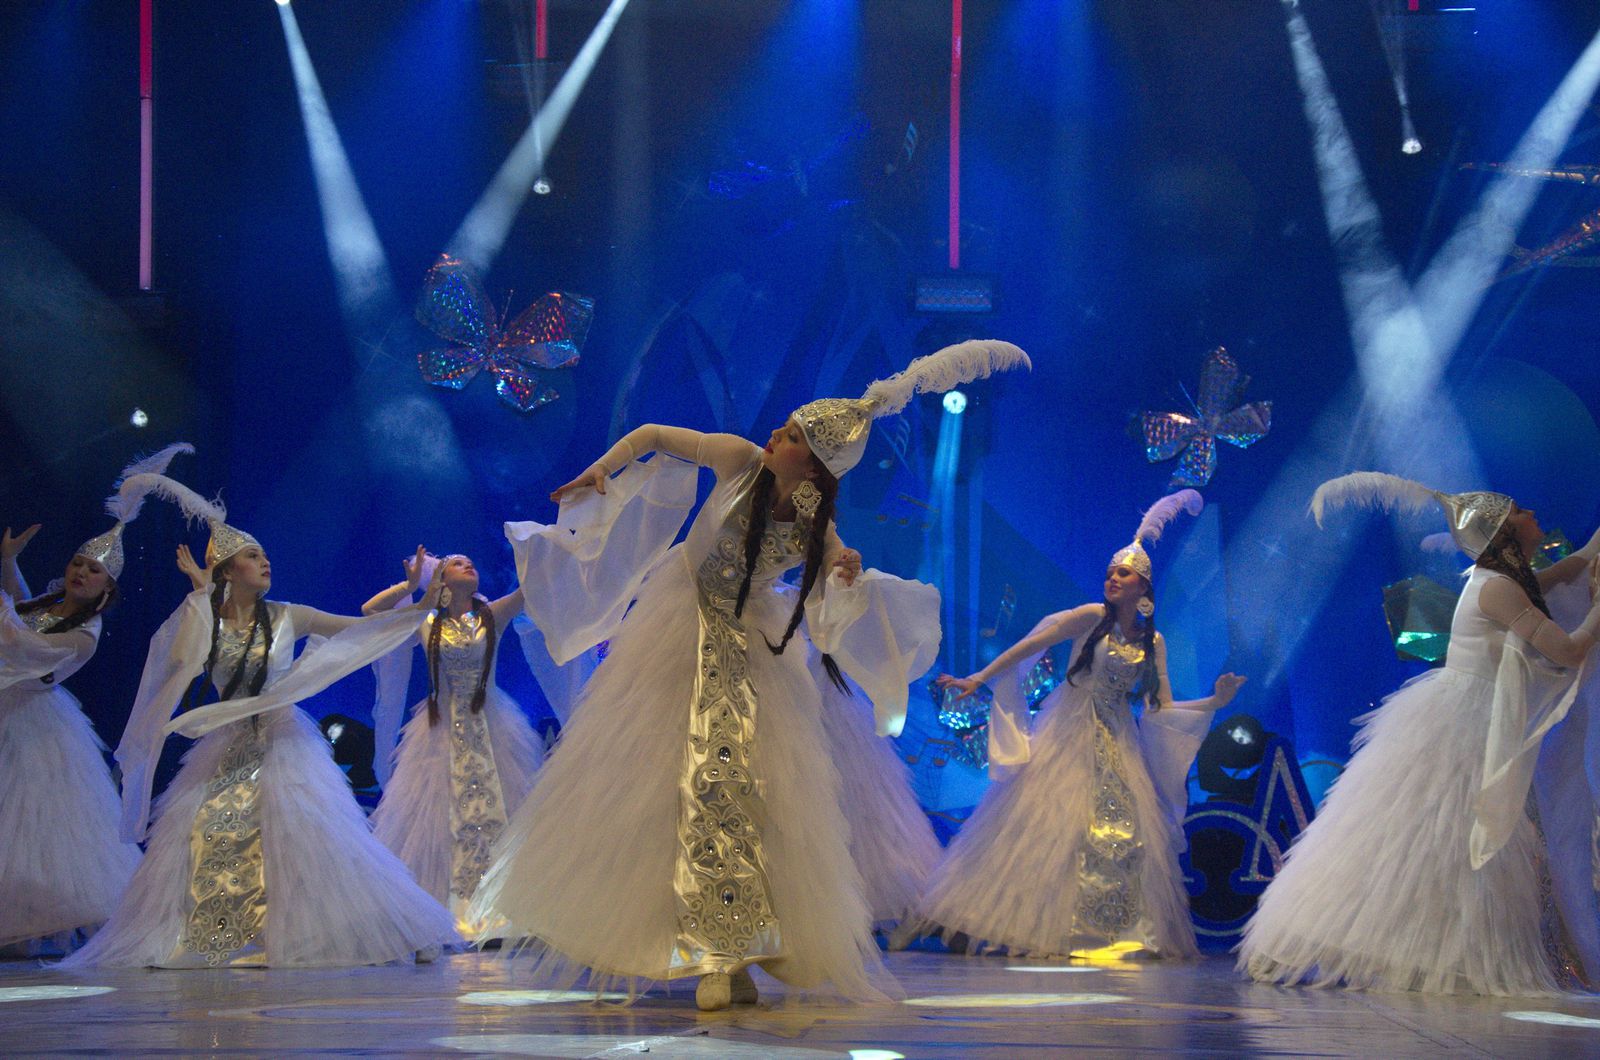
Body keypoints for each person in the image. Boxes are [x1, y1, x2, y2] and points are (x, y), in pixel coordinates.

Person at [470, 340, 1028, 1009]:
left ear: (814, 465)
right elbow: (656, 436)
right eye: (784, 428)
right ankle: (702, 951)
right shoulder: (738, 460)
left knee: (741, 797)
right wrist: (602, 470)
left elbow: (828, 585)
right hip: (680, 629)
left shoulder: (816, 520)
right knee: (663, 787)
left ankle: (732, 952)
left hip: (750, 650)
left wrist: (845, 572)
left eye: (790, 437)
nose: (774, 436)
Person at [63, 474, 458, 968]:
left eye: (265, 555)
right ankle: (227, 934)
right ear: (229, 571)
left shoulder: (290, 615)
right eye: (253, 556)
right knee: (209, 837)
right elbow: (179, 661)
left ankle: (396, 929)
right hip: (227, 746)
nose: (265, 562)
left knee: (318, 843)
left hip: (284, 743)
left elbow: (364, 630)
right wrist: (201, 597)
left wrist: (419, 600)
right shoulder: (205, 620)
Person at [1239, 472, 1600, 995]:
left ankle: (1447, 954)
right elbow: (1566, 651)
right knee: (1448, 837)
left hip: (1473, 715)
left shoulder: (1505, 580)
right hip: (1465, 723)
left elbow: (1569, 567)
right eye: (1519, 512)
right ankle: (1427, 953)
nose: (1531, 515)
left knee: (1448, 841)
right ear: (1502, 531)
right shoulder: (1497, 587)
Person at [900, 490, 1242, 959]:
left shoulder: (1153, 641)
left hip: (1119, 743)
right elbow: (1031, 644)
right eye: (1110, 572)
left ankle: (1102, 931)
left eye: (1123, 574)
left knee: (1118, 836)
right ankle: (969, 918)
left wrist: (1215, 702)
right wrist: (978, 678)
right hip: (1069, 732)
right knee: (1041, 828)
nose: (1113, 579)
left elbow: (1161, 707)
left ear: (1143, 587)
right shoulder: (1091, 617)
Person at [0, 443, 190, 951]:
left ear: (107, 588)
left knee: (29, 828)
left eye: (93, 570)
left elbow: (21, 643)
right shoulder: (49, 604)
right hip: (8, 712)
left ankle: (28, 923)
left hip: (31, 725)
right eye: (78, 563)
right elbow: (21, 610)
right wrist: (10, 562)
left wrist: (4, 604)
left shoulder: (85, 635)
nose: (81, 573)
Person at [363, 552, 544, 938]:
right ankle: (447, 911)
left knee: (501, 811)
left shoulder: (490, 615)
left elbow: (531, 588)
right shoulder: (427, 621)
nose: (470, 565)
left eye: (472, 562)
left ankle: (499, 909)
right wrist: (413, 587)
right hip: (440, 732)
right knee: (440, 818)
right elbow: (371, 611)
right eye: (459, 564)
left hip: (492, 728)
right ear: (442, 579)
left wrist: (538, 543)